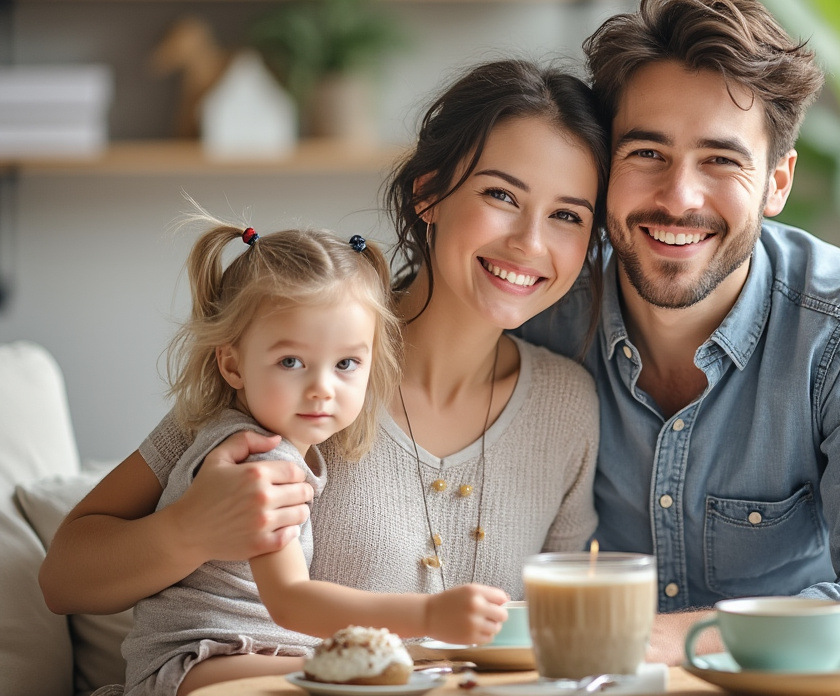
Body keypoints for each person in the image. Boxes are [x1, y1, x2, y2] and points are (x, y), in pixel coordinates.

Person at [40, 59, 607, 666]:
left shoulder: (567, 407)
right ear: (429, 194)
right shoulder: (299, 359)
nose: (530, 242)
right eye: (501, 194)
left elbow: (557, 639)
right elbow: (63, 577)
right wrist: (186, 530)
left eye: (567, 215)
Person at [515, 0, 840, 696]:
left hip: (779, 679)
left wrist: (678, 639)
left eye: (722, 160)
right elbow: (374, 335)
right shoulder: (540, 303)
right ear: (604, 170)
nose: (679, 197)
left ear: (776, 182)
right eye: (647, 153)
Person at [116, 214, 512, 695]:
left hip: (246, 651)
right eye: (291, 362)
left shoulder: (270, 442)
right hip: (198, 660)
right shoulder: (260, 460)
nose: (322, 389)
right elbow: (291, 601)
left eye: (346, 363)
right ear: (232, 363)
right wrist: (428, 615)